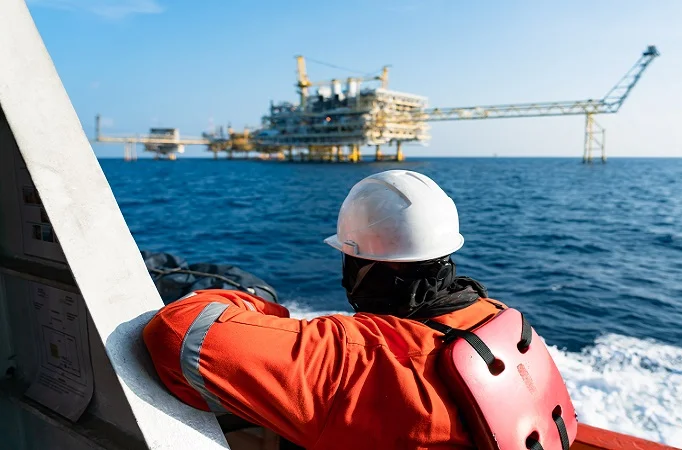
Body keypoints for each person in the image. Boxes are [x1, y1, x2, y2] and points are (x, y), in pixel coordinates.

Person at [143, 170, 505, 449]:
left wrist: (266, 308)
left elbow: (178, 333)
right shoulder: (500, 322)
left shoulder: (354, 358)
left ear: (360, 264)